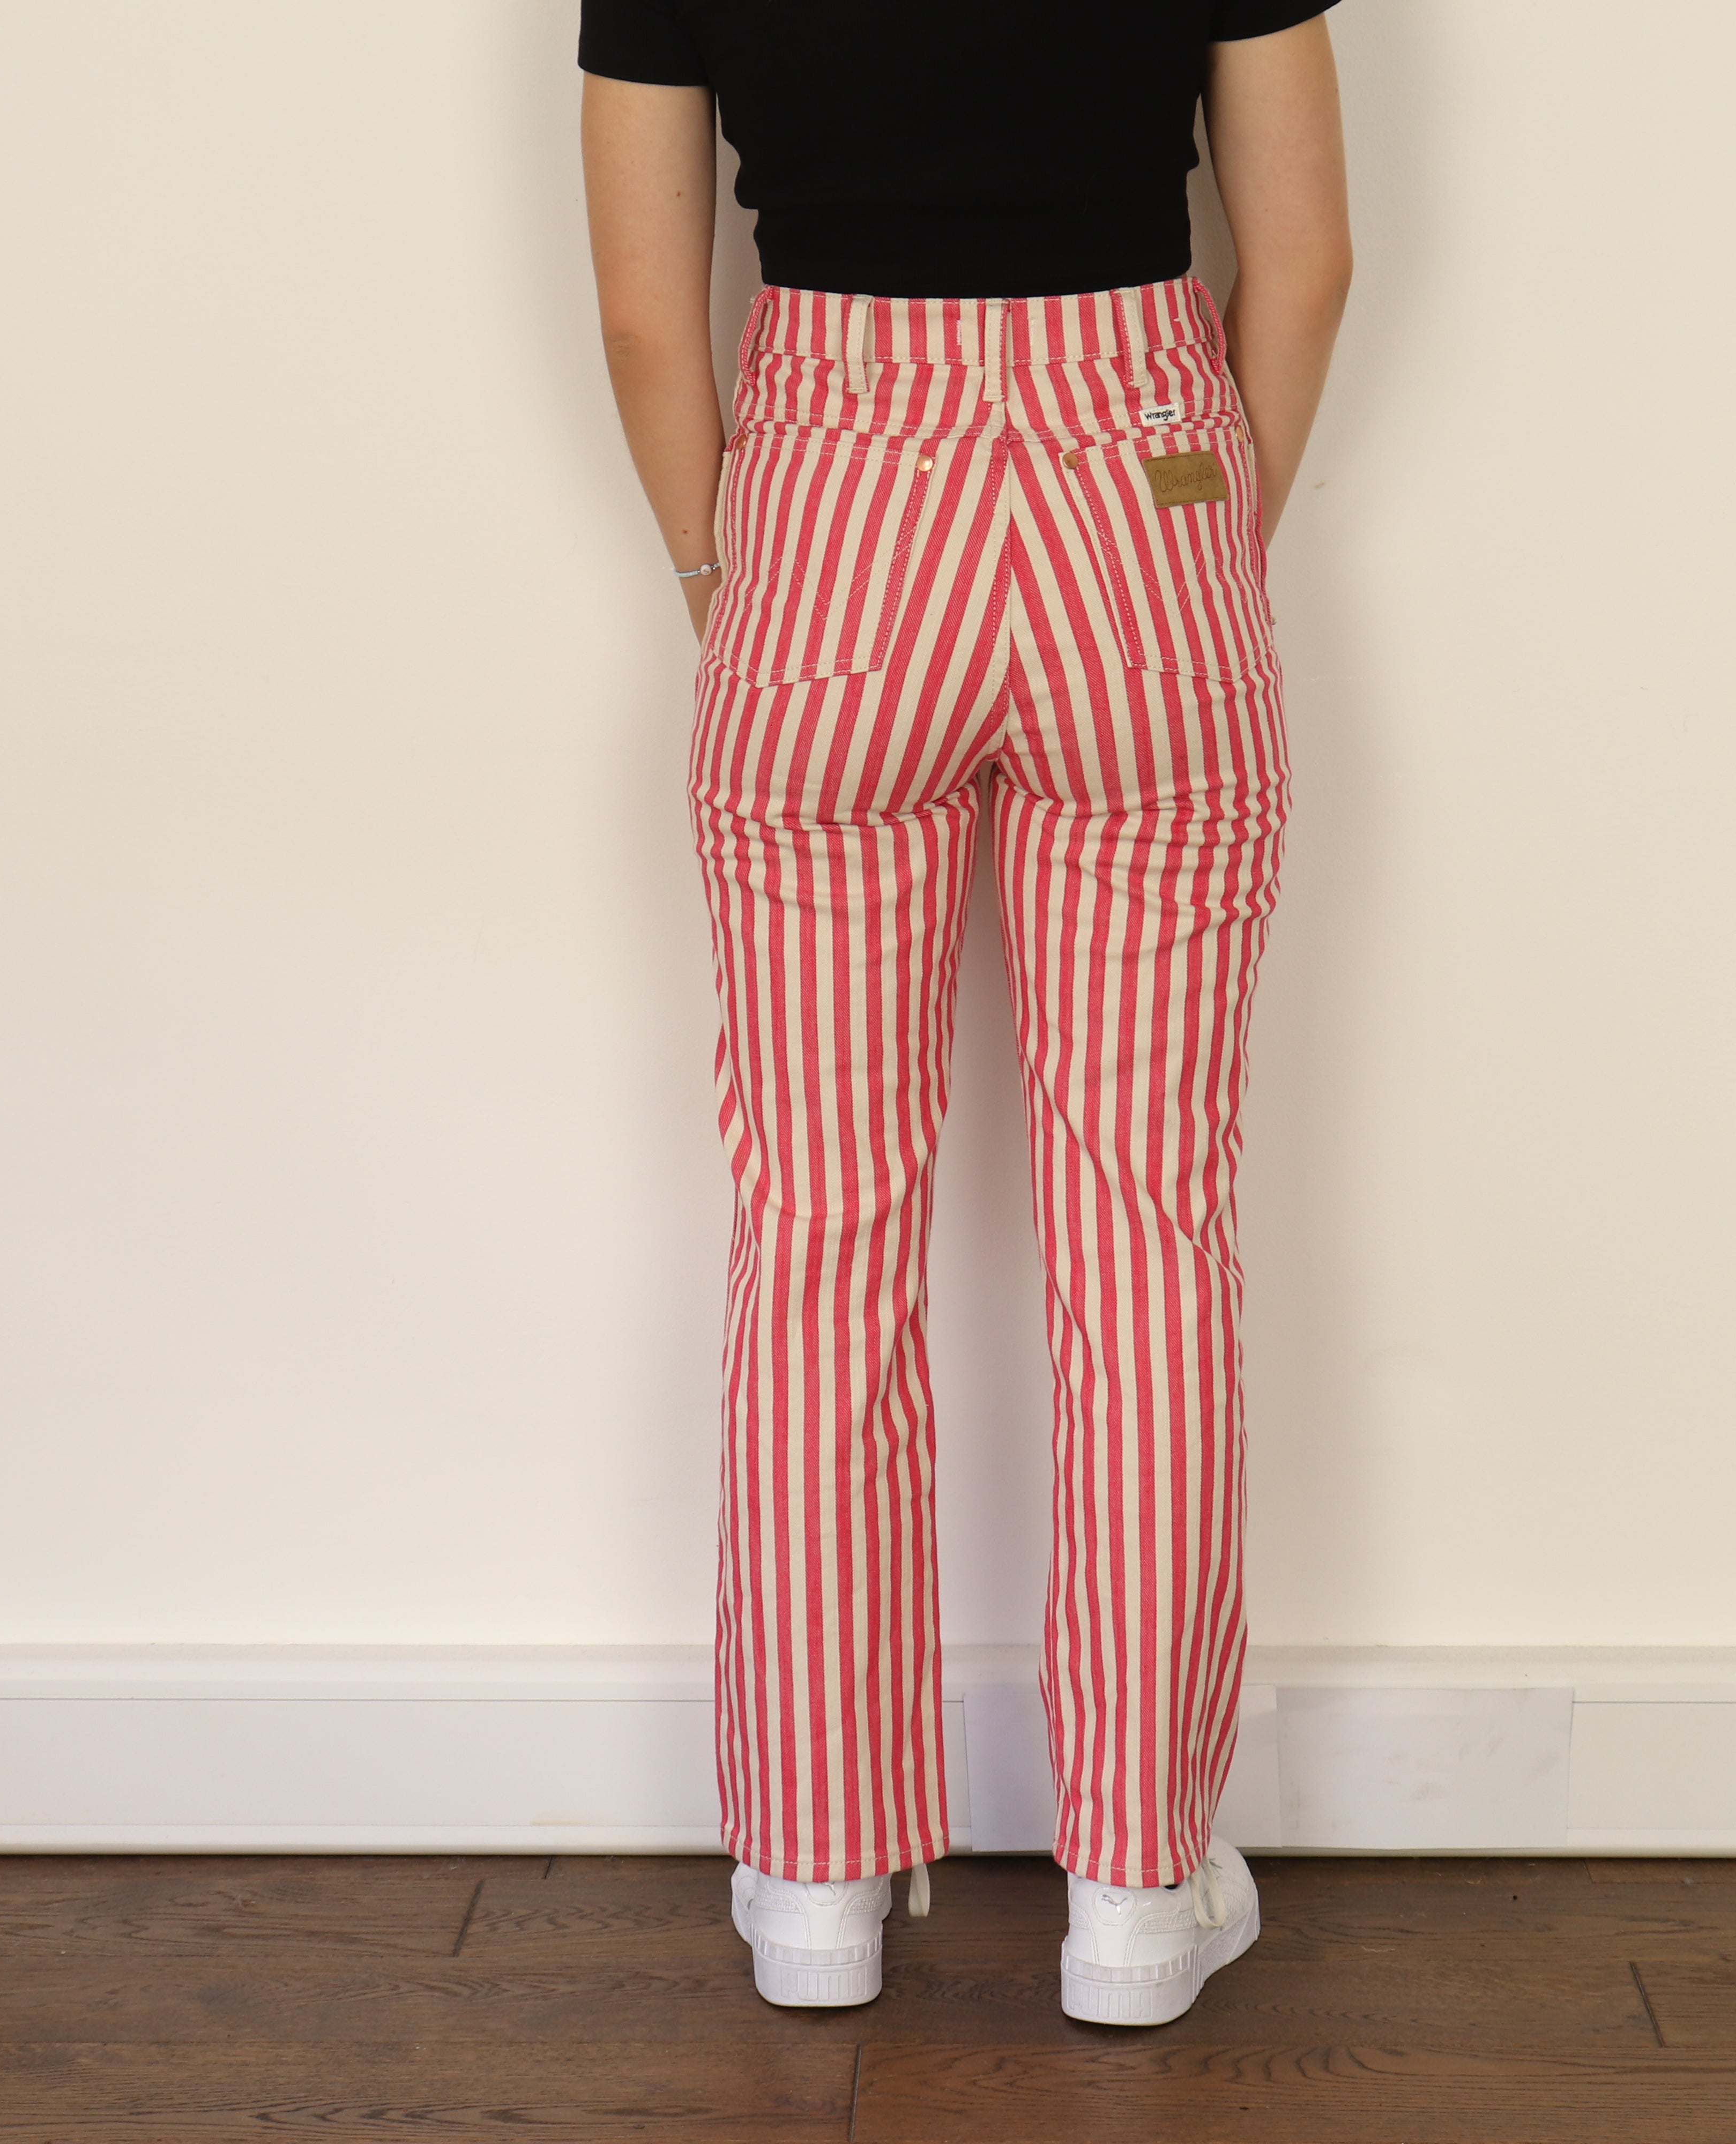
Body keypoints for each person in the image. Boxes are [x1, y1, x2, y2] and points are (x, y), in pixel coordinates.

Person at [579, 0, 1351, 2026]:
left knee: (818, 1233)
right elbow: (1305, 258)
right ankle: (1137, 1892)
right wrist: (1201, 554)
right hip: (1142, 484)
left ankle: (813, 1873)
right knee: (1152, 1233)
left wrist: (717, 574)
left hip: (835, 510)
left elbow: (651, 318)